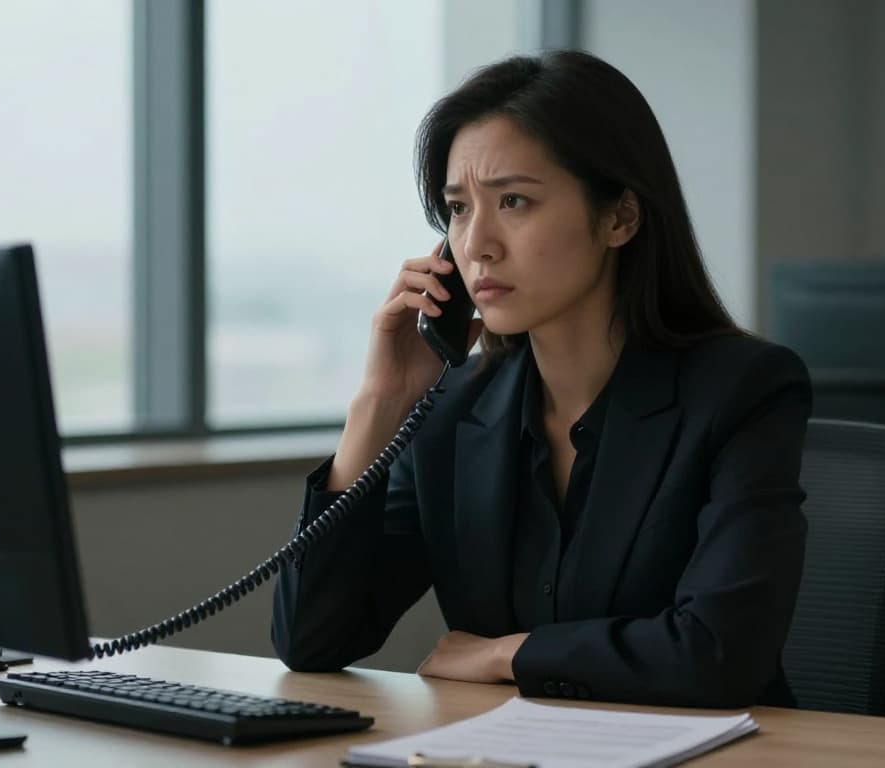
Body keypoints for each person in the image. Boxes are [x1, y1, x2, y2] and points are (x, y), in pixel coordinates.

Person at [271, 49, 811, 708]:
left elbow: (720, 654)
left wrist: (506, 652)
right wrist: (377, 406)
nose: (476, 245)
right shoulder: (449, 408)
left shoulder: (742, 391)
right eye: (459, 209)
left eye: (515, 201)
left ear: (619, 217)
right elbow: (312, 641)